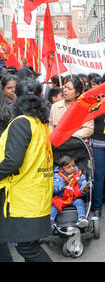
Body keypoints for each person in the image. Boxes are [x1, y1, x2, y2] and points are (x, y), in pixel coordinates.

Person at [0, 79, 53, 262]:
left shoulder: (21, 123)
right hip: (36, 194)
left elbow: (13, 161)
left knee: (27, 248)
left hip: (23, 196)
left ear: (16, 97)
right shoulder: (40, 123)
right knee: (25, 246)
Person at [51, 155, 89, 228]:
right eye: (69, 167)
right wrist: (64, 184)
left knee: (80, 202)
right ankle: (51, 221)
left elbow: (82, 186)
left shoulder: (78, 175)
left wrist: (83, 189)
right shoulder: (57, 176)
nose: (72, 168)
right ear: (61, 169)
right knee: (54, 205)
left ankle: (82, 218)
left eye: (73, 166)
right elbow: (53, 190)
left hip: (73, 198)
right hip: (61, 199)